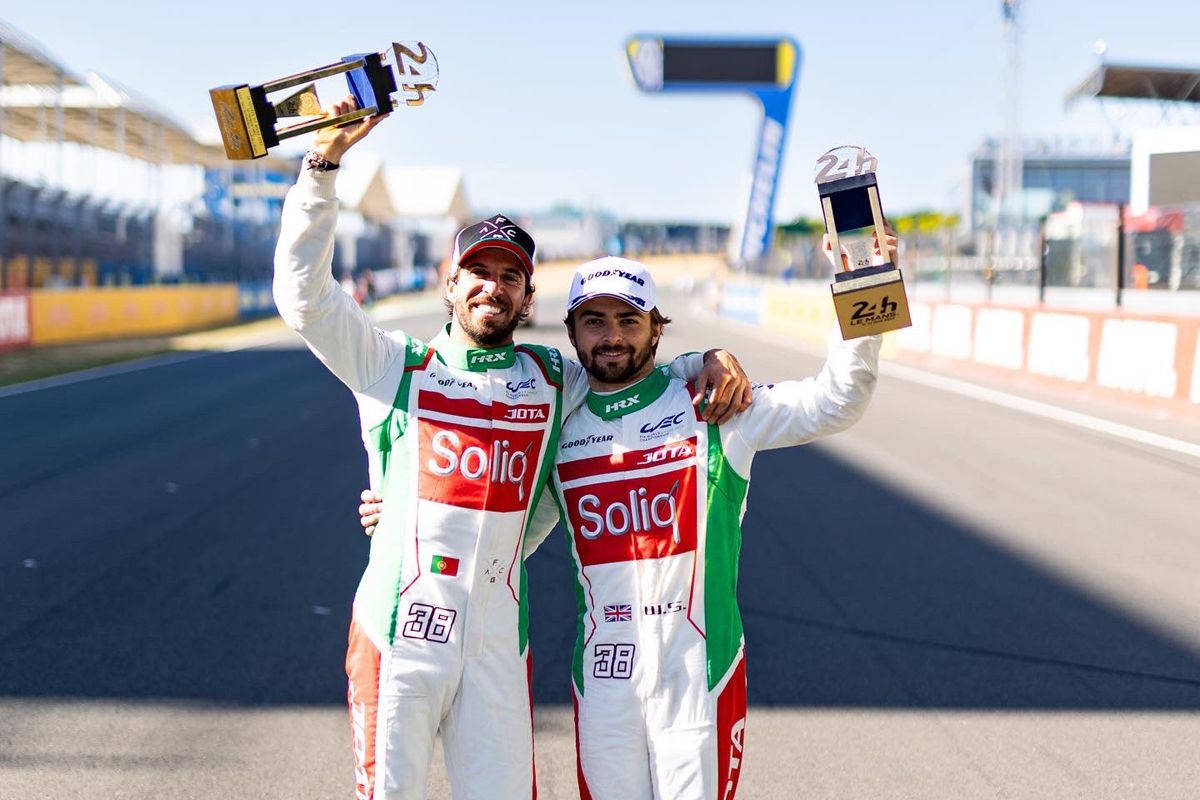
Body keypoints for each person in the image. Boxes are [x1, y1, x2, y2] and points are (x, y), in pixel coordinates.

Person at [273, 96, 752, 800]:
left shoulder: (553, 378)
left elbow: (630, 376)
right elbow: (305, 298)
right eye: (478, 272)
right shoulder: (391, 365)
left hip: (499, 640)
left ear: (527, 296)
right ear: (451, 284)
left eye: (509, 276)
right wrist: (322, 168)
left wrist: (704, 360)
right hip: (401, 634)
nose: (492, 286)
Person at [363, 246, 890, 798]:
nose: (611, 336)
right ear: (572, 332)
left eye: (628, 320)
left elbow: (841, 398)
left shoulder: (716, 407)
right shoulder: (558, 430)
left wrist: (864, 284)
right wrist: (402, 513)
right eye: (594, 321)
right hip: (603, 686)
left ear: (657, 330)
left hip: (697, 677)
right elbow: (505, 533)